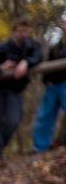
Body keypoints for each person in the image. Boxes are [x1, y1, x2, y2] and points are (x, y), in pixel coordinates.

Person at [0, 20, 43, 162]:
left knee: (13, 121)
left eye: (26, 31)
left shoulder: (32, 46)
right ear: (14, 31)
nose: (23, 34)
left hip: (16, 90)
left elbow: (38, 57)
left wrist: (26, 62)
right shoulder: (2, 47)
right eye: (20, 31)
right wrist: (1, 67)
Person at [32, 19, 66, 152]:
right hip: (52, 86)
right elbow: (48, 64)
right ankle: (40, 147)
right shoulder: (55, 47)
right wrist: (46, 81)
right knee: (45, 116)